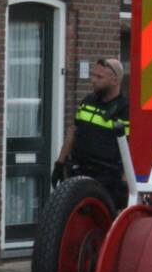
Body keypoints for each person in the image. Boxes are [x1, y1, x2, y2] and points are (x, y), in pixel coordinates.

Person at [53, 57, 130, 208]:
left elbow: (130, 147)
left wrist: (125, 182)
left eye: (99, 77)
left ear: (115, 81)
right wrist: (60, 162)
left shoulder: (125, 110)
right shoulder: (88, 101)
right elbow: (73, 130)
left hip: (107, 178)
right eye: (92, 75)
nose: (93, 80)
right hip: (78, 172)